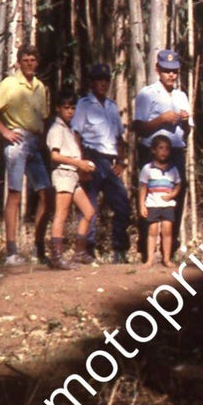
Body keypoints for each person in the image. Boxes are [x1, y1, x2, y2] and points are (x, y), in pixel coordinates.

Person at [0, 44, 50, 265]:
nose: (29, 63)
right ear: (19, 62)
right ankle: (11, 252)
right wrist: (3, 130)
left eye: (33, 60)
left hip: (35, 142)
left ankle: (38, 249)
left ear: (37, 62)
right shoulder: (10, 84)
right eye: (25, 60)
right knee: (15, 194)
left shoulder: (40, 87)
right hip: (17, 140)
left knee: (46, 194)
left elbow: (43, 117)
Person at [132, 49, 193, 256]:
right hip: (151, 153)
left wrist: (184, 121)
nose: (171, 75)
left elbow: (187, 130)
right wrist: (162, 120)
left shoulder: (181, 95)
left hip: (175, 151)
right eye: (167, 71)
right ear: (158, 69)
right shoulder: (147, 94)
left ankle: (169, 251)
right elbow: (138, 127)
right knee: (149, 200)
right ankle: (146, 251)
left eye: (174, 71)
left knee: (174, 197)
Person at [72, 63, 131, 264]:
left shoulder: (112, 107)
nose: (103, 84)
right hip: (92, 157)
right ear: (91, 82)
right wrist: (81, 163)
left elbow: (120, 138)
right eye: (99, 80)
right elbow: (76, 134)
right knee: (90, 206)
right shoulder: (84, 105)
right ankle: (87, 250)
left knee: (122, 203)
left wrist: (121, 162)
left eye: (106, 80)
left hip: (110, 160)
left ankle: (120, 251)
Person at [45, 91, 97, 270]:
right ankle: (56, 256)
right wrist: (78, 163)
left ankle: (79, 252)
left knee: (89, 211)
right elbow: (54, 155)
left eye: (73, 108)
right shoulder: (56, 129)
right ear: (58, 108)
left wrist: (82, 169)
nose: (70, 111)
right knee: (62, 213)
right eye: (66, 108)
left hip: (73, 175)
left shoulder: (69, 129)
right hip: (63, 174)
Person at [138, 134, 183, 268]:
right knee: (152, 230)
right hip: (152, 204)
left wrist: (173, 194)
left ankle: (167, 259)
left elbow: (178, 184)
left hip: (167, 205)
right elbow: (143, 187)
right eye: (161, 148)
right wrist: (142, 205)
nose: (164, 152)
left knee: (167, 230)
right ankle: (150, 259)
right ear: (153, 150)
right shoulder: (147, 169)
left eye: (167, 149)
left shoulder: (173, 169)